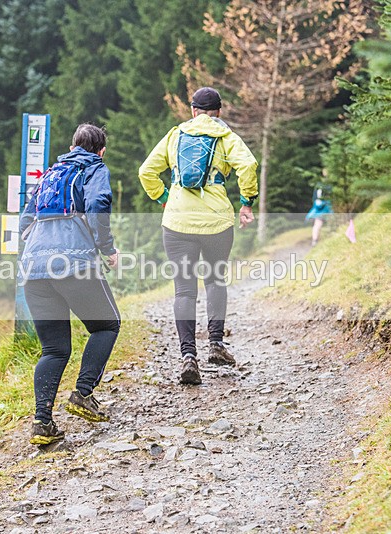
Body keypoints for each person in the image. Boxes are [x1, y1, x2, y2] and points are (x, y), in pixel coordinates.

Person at [139, 87, 259, 385]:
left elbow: (146, 172)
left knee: (184, 290)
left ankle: (188, 356)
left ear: (193, 110)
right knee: (215, 280)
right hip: (217, 222)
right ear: (219, 111)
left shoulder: (175, 135)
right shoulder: (226, 137)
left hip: (177, 222)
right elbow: (248, 165)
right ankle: (216, 344)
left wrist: (164, 197)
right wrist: (246, 202)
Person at [19, 123, 121, 445]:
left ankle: (42, 423)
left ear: (72, 145)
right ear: (100, 150)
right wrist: (107, 249)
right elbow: (97, 205)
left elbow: (26, 216)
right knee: (107, 325)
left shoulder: (49, 173)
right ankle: (83, 394)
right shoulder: (95, 168)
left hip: (34, 268)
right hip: (74, 263)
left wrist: (31, 249)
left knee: (54, 349)